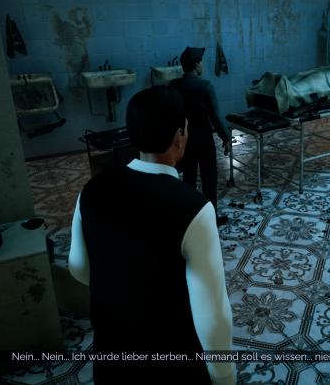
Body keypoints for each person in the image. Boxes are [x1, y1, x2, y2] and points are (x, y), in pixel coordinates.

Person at [68, 86, 235, 385]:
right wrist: (224, 375)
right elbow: (213, 314)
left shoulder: (92, 190)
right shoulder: (194, 209)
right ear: (180, 136)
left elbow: (78, 268)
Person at [169, 47, 231, 226]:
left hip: (185, 139)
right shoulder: (205, 86)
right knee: (208, 179)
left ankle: (190, 217)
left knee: (188, 177)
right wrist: (226, 138)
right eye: (201, 61)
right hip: (203, 139)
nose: (203, 65)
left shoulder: (173, 85)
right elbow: (216, 117)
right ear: (196, 64)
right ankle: (211, 218)